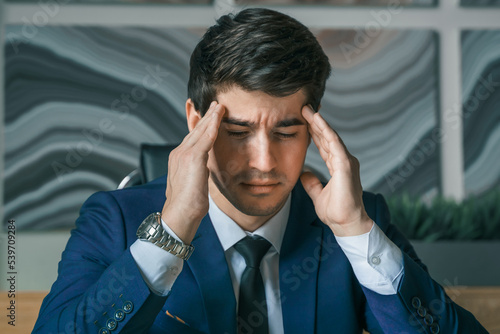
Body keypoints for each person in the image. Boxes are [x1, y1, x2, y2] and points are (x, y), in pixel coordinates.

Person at [34, 8, 486, 334]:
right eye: (238, 130)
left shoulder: (358, 220)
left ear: (316, 129)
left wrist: (354, 231)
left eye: (287, 132)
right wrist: (172, 232)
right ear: (197, 123)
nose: (264, 162)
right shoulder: (115, 220)